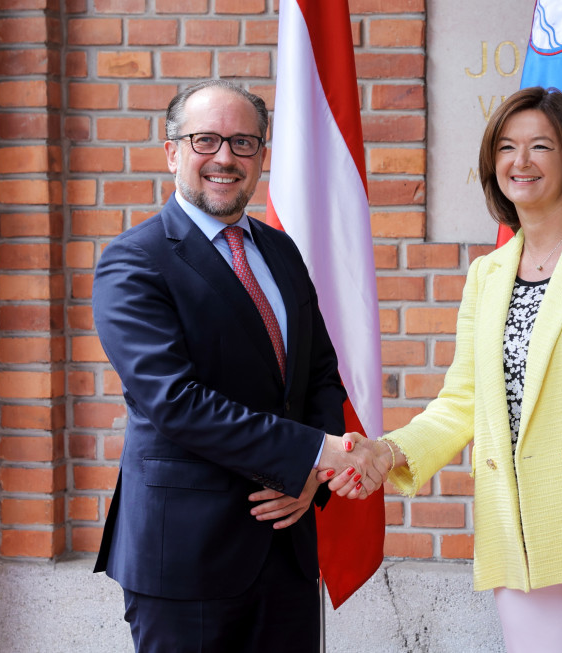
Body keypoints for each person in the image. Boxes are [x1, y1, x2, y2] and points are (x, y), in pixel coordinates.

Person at [333, 87, 562, 652]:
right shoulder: (488, 273)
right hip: (517, 527)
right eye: (506, 147)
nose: (519, 162)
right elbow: (461, 403)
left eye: (540, 146)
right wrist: (386, 451)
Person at [91, 79, 384, 653]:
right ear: (173, 151)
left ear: (261, 157)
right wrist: (309, 453)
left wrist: (309, 476)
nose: (225, 157)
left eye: (243, 143)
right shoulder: (134, 262)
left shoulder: (279, 250)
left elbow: (319, 373)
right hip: (187, 556)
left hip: (286, 542)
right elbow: (175, 401)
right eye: (205, 140)